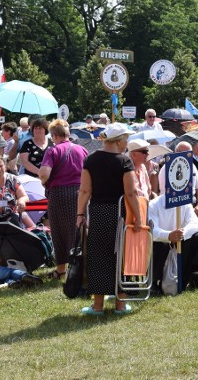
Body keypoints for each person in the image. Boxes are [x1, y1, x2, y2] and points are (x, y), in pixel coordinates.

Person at [76, 123, 141, 315]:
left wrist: (80, 215)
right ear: (119, 140)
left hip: (98, 212)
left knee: (98, 256)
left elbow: (85, 190)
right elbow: (131, 193)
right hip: (120, 213)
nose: (127, 143)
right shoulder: (125, 161)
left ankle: (97, 306)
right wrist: (138, 217)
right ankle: (120, 305)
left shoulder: (90, 160)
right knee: (121, 255)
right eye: (126, 139)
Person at [38, 118, 88, 281]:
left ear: (54, 135)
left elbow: (45, 173)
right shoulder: (82, 150)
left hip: (59, 194)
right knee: (79, 230)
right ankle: (83, 268)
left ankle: (61, 270)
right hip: (80, 193)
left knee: (59, 232)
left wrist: (44, 181)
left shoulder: (53, 151)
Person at [147, 192, 198, 291]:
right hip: (161, 243)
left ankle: (194, 276)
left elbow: (195, 223)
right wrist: (169, 235)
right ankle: (154, 281)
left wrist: (182, 234)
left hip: (180, 241)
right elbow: (152, 231)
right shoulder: (153, 205)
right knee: (160, 244)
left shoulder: (185, 203)